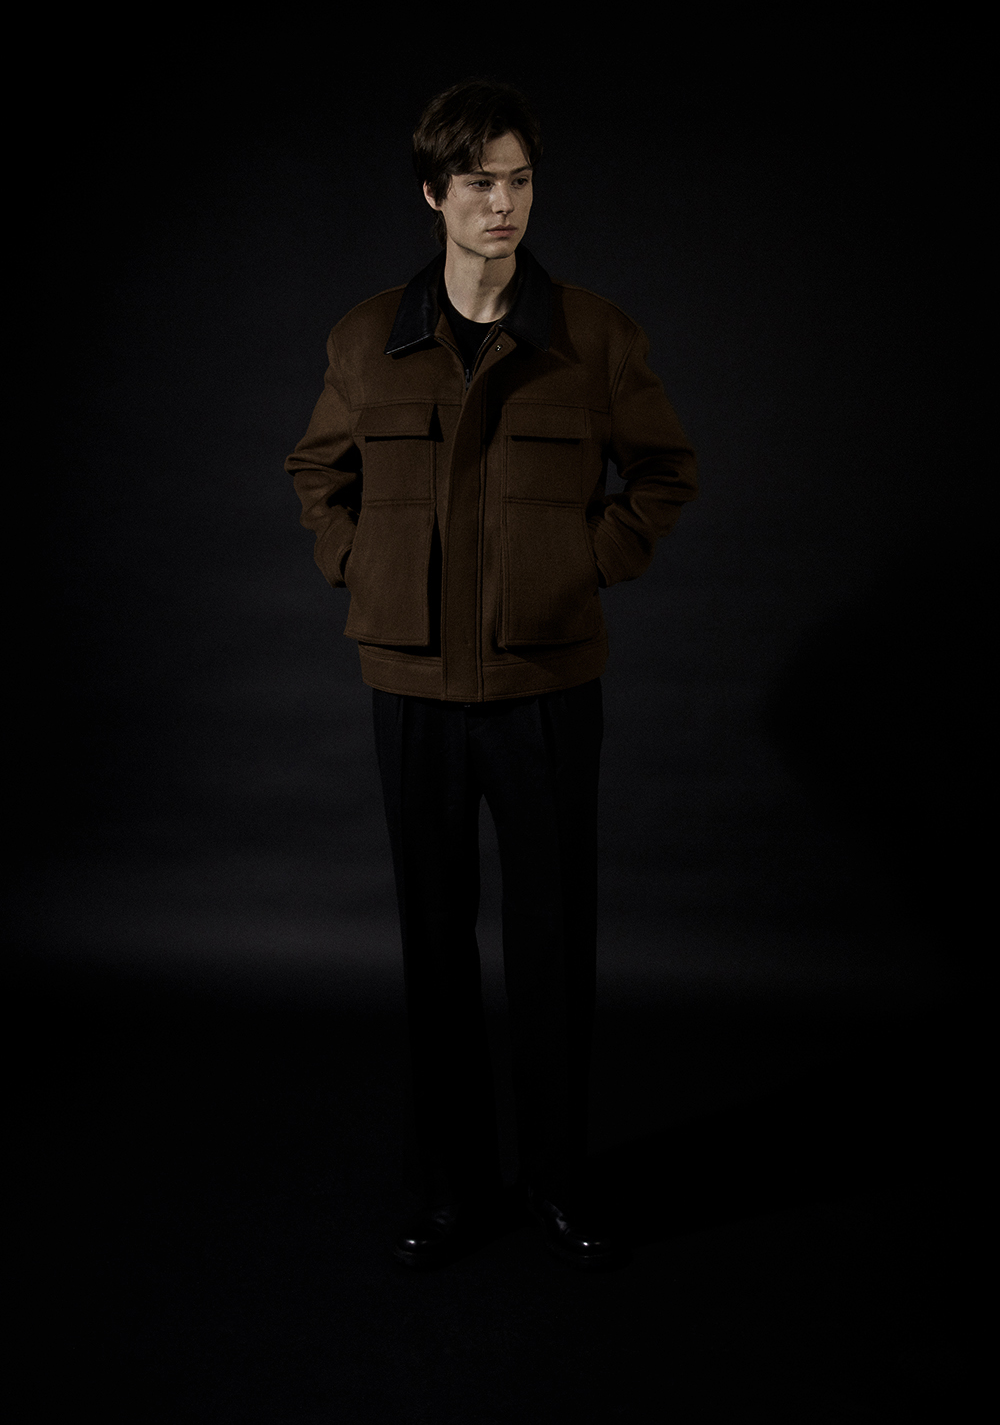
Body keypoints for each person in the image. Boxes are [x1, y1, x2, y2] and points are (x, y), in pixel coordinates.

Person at [284, 80, 698, 1270]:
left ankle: (557, 1181)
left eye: (518, 181)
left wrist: (581, 568)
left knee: (553, 939)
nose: (503, 203)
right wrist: (361, 567)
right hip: (412, 687)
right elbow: (317, 471)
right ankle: (452, 1190)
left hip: (545, 686)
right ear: (434, 194)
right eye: (478, 182)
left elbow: (664, 474)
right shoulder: (367, 337)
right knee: (432, 940)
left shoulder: (594, 336)